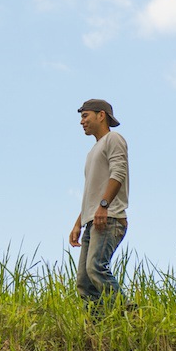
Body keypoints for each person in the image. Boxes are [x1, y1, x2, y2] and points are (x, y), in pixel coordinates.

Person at [69, 99, 130, 309]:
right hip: (92, 220)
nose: (81, 121)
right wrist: (78, 223)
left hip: (110, 217)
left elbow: (118, 173)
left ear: (101, 115)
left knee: (96, 268)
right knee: (84, 282)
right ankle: (100, 329)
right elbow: (91, 192)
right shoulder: (92, 152)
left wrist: (104, 206)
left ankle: (129, 315)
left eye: (85, 116)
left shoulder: (113, 139)